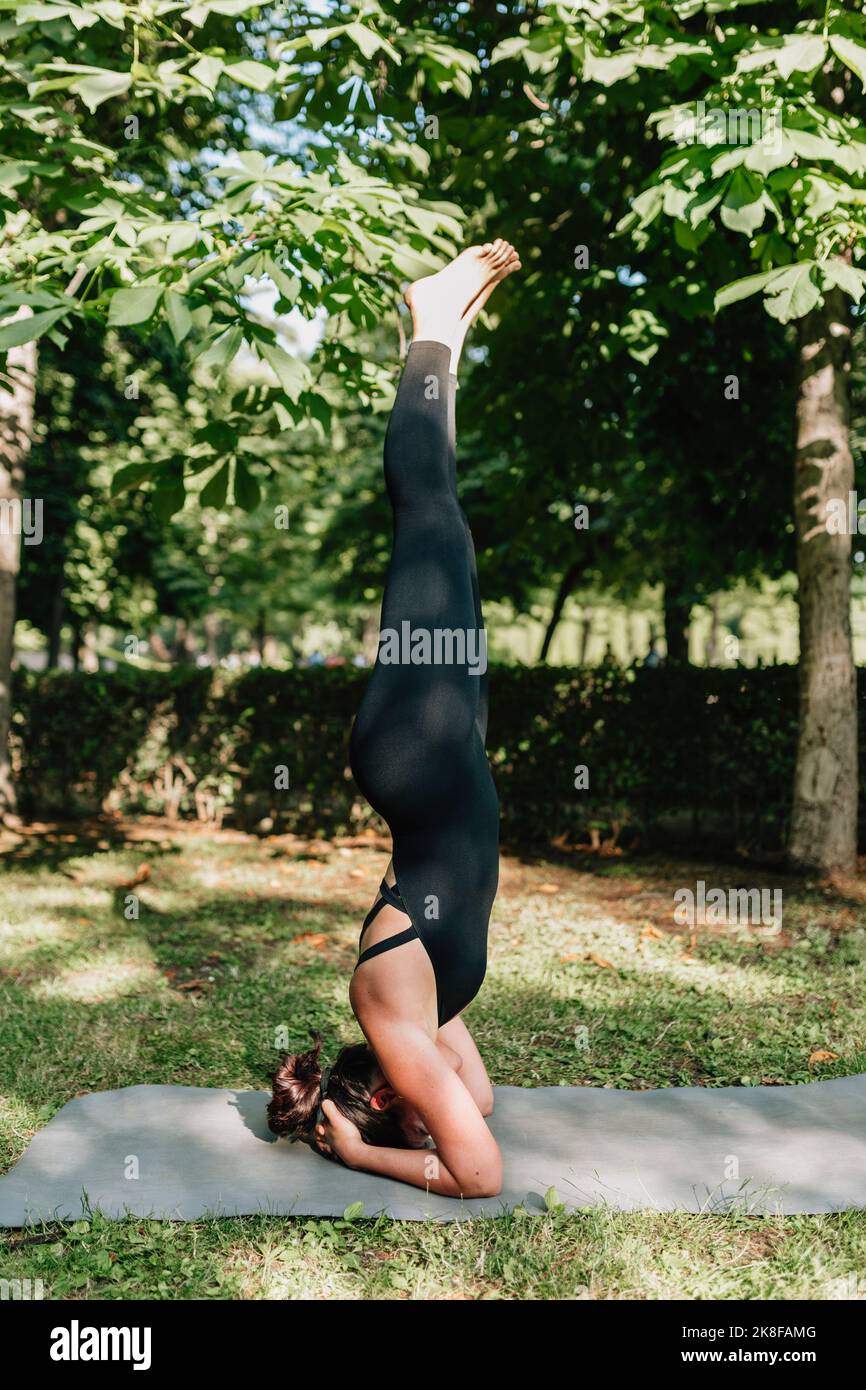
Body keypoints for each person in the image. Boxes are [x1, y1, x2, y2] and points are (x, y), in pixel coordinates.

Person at [268, 241, 521, 1196]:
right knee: (446, 527)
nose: (440, 1096)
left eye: (411, 1104)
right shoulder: (419, 1030)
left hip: (421, 756)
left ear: (379, 1095)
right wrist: (405, 1115)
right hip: (448, 755)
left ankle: (427, 322)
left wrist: (364, 1150)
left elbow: (478, 1174)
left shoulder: (392, 1023)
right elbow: (481, 1107)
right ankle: (443, 340)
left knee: (426, 518)